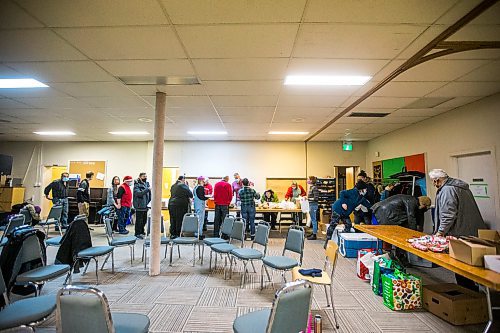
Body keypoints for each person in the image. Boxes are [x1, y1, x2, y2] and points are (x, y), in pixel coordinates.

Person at [429, 169, 487, 291]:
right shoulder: (460, 186)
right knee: (471, 265)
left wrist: (440, 232)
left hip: (460, 232)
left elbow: (448, 214)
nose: (434, 185)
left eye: (434, 182)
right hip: (471, 230)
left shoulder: (447, 190)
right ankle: (472, 291)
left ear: (437, 180)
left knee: (460, 266)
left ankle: (467, 293)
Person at [133, 173, 151, 239]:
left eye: (146, 176)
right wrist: (147, 189)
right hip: (139, 205)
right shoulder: (137, 185)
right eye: (143, 176)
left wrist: (150, 202)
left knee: (144, 220)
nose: (145, 177)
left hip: (146, 205)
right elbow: (139, 194)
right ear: (140, 177)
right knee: (139, 221)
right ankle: (137, 233)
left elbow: (149, 194)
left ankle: (142, 231)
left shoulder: (147, 183)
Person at [307, 176, 320, 240]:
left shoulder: (314, 188)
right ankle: (313, 233)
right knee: (312, 220)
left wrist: (308, 198)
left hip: (313, 205)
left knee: (314, 220)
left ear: (311, 180)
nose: (307, 180)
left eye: (308, 179)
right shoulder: (311, 187)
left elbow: (316, 198)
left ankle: (314, 235)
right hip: (311, 205)